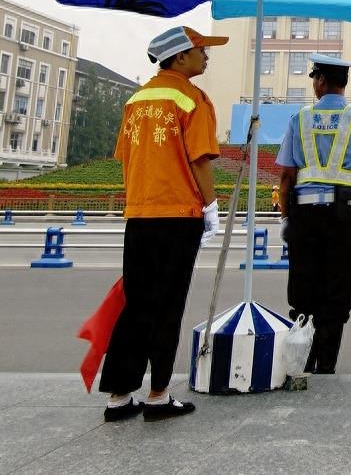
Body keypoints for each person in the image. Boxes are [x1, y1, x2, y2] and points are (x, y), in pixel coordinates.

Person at [100, 26, 227, 422]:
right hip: (178, 216)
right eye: (201, 51)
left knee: (136, 304)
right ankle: (158, 394)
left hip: (139, 215)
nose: (206, 57)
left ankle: (119, 395)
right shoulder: (192, 98)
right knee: (168, 305)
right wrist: (210, 205)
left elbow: (127, 157)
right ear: (179, 57)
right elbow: (199, 158)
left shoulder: (136, 99)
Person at [277, 54, 351, 374]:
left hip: (305, 215)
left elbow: (286, 176)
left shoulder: (299, 119)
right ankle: (326, 365)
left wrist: (285, 217)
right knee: (336, 291)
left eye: (314, 79)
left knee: (303, 290)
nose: (314, 84)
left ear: (322, 81)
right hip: (345, 215)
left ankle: (301, 362)